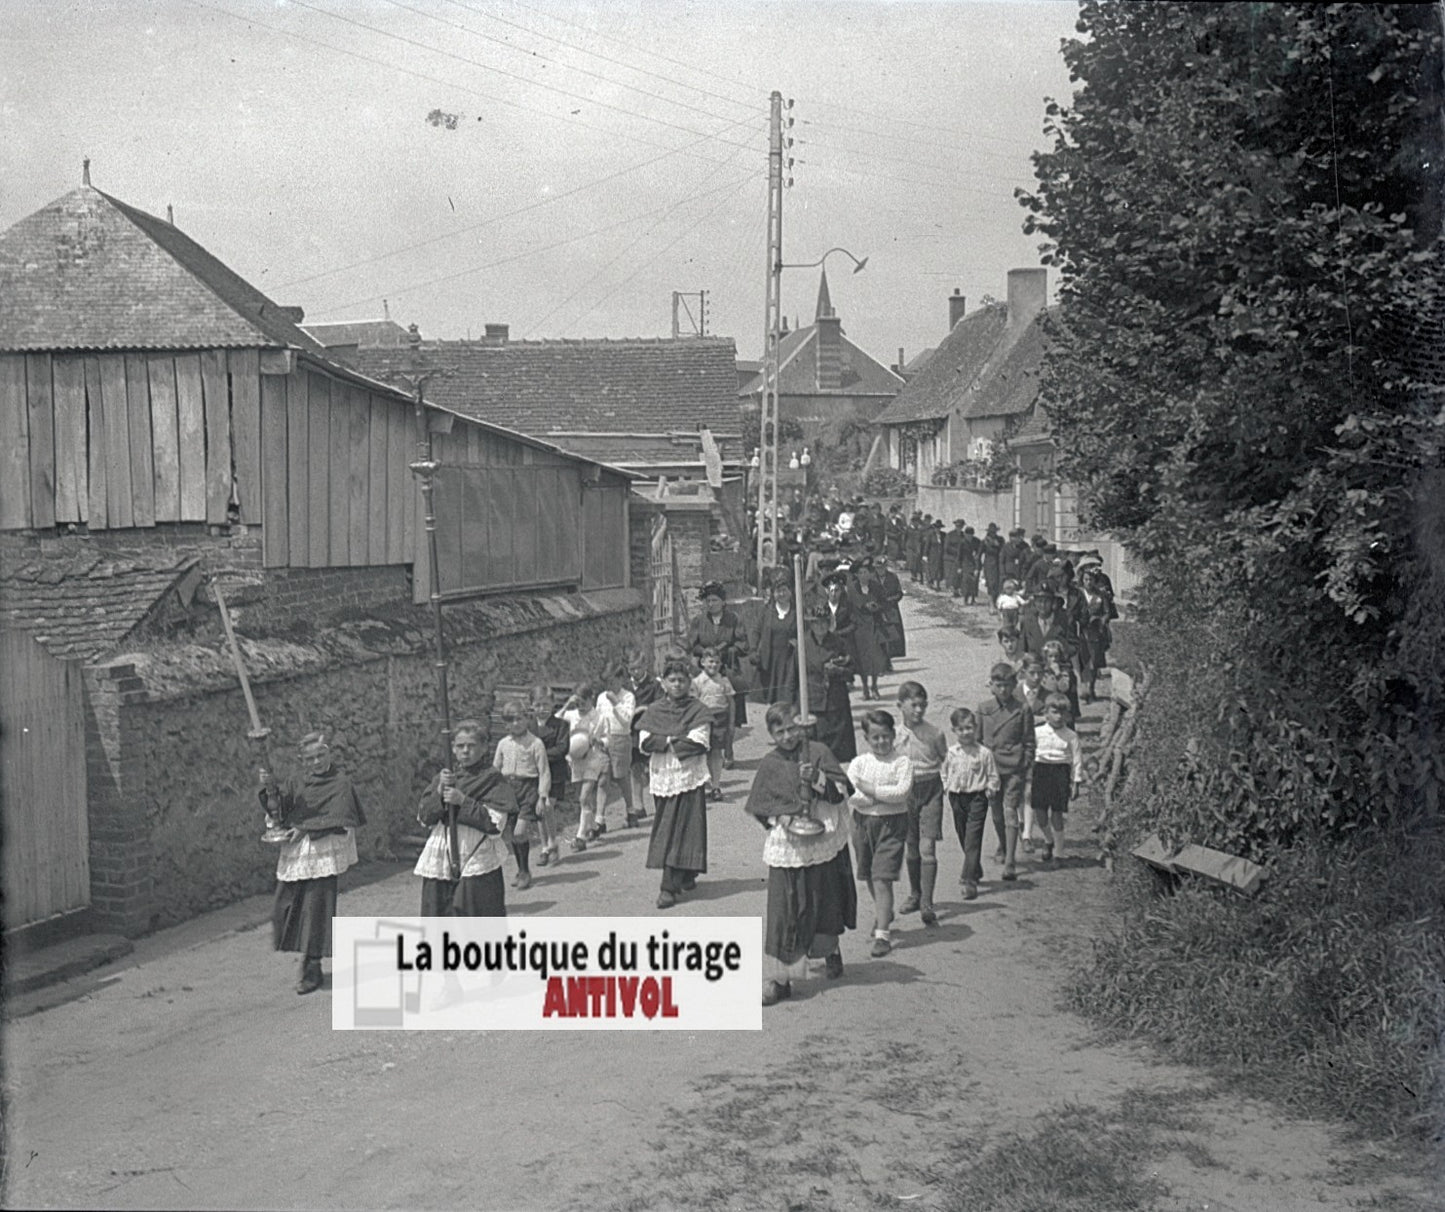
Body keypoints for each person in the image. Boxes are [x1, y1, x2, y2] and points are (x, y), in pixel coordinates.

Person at [745, 702, 858, 1006]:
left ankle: (829, 949)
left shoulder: (817, 750)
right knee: (785, 909)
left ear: (801, 725)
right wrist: (779, 819)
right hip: (788, 841)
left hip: (821, 833)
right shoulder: (770, 763)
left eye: (791, 728)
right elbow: (760, 805)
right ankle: (781, 979)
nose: (787, 736)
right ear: (771, 734)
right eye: (779, 731)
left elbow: (844, 790)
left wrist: (818, 778)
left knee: (823, 900)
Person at [259, 731, 367, 995]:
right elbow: (281, 810)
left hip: (323, 848)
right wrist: (269, 788)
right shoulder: (298, 780)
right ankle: (302, 952)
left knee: (317, 909)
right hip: (298, 850)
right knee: (282, 906)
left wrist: (306, 829)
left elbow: (341, 818)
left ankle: (312, 966)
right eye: (311, 758)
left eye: (321, 755)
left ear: (329, 753)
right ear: (303, 760)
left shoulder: (340, 782)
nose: (317, 762)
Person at [415, 720, 517, 917]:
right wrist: (439, 791)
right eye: (460, 746)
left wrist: (463, 801)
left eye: (471, 746)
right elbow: (425, 817)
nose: (465, 751)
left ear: (484, 747)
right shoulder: (445, 777)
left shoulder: (492, 778)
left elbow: (494, 824)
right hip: (442, 855)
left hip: (475, 855)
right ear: (453, 748)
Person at [637, 656, 713, 908]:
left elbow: (698, 742)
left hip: (689, 774)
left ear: (689, 682)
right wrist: (673, 739)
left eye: (682, 680)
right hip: (663, 775)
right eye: (672, 680)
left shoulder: (698, 709)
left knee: (687, 826)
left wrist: (666, 740)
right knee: (667, 825)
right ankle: (685, 872)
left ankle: (669, 885)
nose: (678, 684)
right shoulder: (654, 710)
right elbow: (646, 742)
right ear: (663, 683)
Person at [846, 709, 914, 957]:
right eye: (875, 738)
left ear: (893, 735)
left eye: (885, 736)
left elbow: (901, 794)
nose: (881, 742)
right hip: (863, 825)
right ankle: (884, 911)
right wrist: (874, 796)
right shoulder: (860, 763)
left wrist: (871, 790)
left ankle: (883, 934)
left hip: (892, 825)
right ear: (866, 739)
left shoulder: (902, 762)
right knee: (868, 874)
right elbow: (851, 793)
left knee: (882, 877)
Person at [895, 681, 949, 926]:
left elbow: (945, 760)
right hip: (906, 793)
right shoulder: (894, 736)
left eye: (922, 705)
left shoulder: (934, 733)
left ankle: (927, 903)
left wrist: (946, 784)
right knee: (912, 846)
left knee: (928, 848)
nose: (918, 710)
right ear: (900, 706)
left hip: (930, 791)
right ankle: (915, 894)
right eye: (913, 705)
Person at [978, 663, 1034, 881]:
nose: (1003, 690)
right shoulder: (984, 709)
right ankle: (1003, 843)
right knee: (997, 813)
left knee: (1010, 810)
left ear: (1014, 685)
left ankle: (1010, 860)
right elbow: (977, 741)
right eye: (998, 685)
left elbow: (1029, 741)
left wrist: (1025, 764)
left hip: (1014, 768)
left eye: (1007, 685)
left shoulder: (1022, 709)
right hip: (991, 770)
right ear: (991, 686)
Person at [942, 707, 1000, 901]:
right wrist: (945, 786)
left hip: (977, 798)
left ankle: (968, 880)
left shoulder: (984, 753)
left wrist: (991, 788)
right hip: (957, 797)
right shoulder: (951, 753)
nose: (966, 732)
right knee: (963, 835)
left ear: (975, 728)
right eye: (961, 729)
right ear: (954, 730)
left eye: (969, 728)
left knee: (973, 838)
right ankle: (975, 868)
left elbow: (992, 775)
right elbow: (944, 771)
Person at [493, 700, 550, 891]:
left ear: (527, 719)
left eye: (519, 719)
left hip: (529, 789)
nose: (515, 724)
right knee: (512, 835)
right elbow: (496, 769)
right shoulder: (503, 744)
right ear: (505, 724)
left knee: (520, 831)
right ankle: (520, 870)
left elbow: (543, 772)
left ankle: (525, 871)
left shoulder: (536, 743)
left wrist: (542, 797)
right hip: (509, 790)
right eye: (511, 721)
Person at [1031, 693, 1084, 869]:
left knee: (1057, 814)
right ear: (1046, 713)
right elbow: (1030, 753)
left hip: (1060, 773)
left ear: (1068, 715)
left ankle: (1059, 853)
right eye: (1054, 712)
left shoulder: (1071, 736)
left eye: (1063, 713)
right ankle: (1048, 840)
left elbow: (1077, 760)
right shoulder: (1037, 732)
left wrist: (1076, 783)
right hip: (1041, 771)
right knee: (1039, 813)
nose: (1059, 716)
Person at [687, 581, 750, 729]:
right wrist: (704, 652)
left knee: (733, 692)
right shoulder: (699, 621)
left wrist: (728, 651)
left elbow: (743, 644)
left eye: (715, 600)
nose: (711, 604)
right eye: (708, 601)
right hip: (706, 667)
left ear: (723, 602)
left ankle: (731, 725)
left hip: (727, 664)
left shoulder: (733, 619)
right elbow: (692, 644)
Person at [802, 601, 857, 763]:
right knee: (815, 755)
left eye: (824, 622)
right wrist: (795, 709)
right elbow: (793, 679)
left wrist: (837, 670)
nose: (820, 626)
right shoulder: (802, 645)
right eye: (816, 622)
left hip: (836, 707)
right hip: (813, 706)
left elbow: (851, 673)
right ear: (811, 624)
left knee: (837, 757)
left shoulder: (838, 643)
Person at [560, 682, 608, 851]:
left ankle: (580, 838)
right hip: (575, 760)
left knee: (583, 797)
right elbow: (555, 720)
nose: (580, 706)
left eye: (583, 702)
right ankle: (594, 828)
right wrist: (568, 704)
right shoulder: (572, 715)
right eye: (578, 703)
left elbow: (607, 738)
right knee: (583, 800)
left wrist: (600, 742)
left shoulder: (599, 717)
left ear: (591, 699)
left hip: (593, 759)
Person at [529, 685, 569, 866]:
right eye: (537, 705)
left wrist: (540, 755)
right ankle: (544, 846)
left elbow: (562, 749)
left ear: (553, 704)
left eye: (546, 705)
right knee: (539, 812)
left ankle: (553, 842)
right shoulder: (528, 727)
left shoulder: (561, 725)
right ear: (531, 706)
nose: (542, 709)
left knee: (547, 807)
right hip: (535, 775)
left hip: (555, 774)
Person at [598, 663, 639, 827]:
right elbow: (599, 718)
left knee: (621, 777)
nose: (610, 686)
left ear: (621, 680)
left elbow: (627, 721)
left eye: (613, 682)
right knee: (602, 779)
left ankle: (631, 811)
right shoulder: (602, 697)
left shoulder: (628, 697)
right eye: (607, 683)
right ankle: (599, 819)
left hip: (621, 739)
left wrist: (616, 703)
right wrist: (597, 736)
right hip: (604, 740)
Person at [691, 647, 735, 800]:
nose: (713, 665)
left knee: (716, 753)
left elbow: (731, 702)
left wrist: (731, 723)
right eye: (710, 661)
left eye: (717, 662)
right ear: (703, 662)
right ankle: (702, 785)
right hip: (702, 719)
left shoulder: (723, 681)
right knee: (702, 753)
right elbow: (693, 703)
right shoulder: (697, 682)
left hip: (720, 719)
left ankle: (716, 786)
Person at [753, 574, 799, 706]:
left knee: (787, 694)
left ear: (790, 592)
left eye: (785, 590)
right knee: (771, 696)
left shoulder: (797, 612)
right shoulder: (766, 612)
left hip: (788, 657)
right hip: (770, 657)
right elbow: (756, 631)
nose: (782, 594)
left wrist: (796, 641)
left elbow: (805, 632)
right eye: (778, 591)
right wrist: (753, 649)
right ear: (773, 594)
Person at [849, 555, 890, 700]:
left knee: (875, 658)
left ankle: (874, 687)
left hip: (875, 626)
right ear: (856, 575)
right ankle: (865, 686)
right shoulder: (852, 588)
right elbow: (851, 605)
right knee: (862, 660)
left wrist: (877, 607)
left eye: (866, 572)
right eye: (860, 573)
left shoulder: (876, 587)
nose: (863, 575)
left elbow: (885, 603)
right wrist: (864, 606)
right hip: (859, 629)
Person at [1040, 639, 1081, 723]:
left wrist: (1058, 674)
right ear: (1046, 657)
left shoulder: (1064, 670)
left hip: (1059, 703)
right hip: (1046, 704)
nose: (1053, 659)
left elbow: (1064, 688)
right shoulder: (1043, 671)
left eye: (1056, 656)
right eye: (1050, 656)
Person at [876, 555, 906, 663]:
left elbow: (899, 593)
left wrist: (891, 600)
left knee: (892, 636)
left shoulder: (892, 577)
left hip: (891, 610)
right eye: (878, 568)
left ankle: (889, 658)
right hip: (878, 611)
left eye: (883, 567)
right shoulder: (872, 578)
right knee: (879, 636)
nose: (881, 570)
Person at [982, 523, 1004, 608]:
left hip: (999, 564)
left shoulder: (1000, 540)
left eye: (994, 532)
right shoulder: (985, 541)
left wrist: (997, 545)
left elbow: (1003, 550)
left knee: (998, 584)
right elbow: (979, 553)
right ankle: (991, 604)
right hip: (989, 565)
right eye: (991, 532)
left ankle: (996, 602)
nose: (993, 534)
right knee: (991, 584)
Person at [942, 520, 966, 596]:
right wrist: (957, 551)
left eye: (961, 526)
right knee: (951, 575)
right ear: (955, 526)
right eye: (958, 526)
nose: (959, 528)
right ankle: (952, 590)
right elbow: (946, 547)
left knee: (958, 575)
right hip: (950, 558)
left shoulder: (963, 535)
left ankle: (957, 590)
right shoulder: (950, 535)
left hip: (959, 559)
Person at [960, 526, 982, 605]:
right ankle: (965, 599)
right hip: (965, 564)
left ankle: (973, 599)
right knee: (966, 582)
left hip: (975, 564)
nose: (969, 537)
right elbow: (959, 556)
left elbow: (978, 554)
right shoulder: (962, 542)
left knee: (974, 582)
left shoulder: (977, 542)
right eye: (968, 535)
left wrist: (977, 567)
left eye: (971, 535)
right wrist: (959, 567)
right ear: (965, 535)